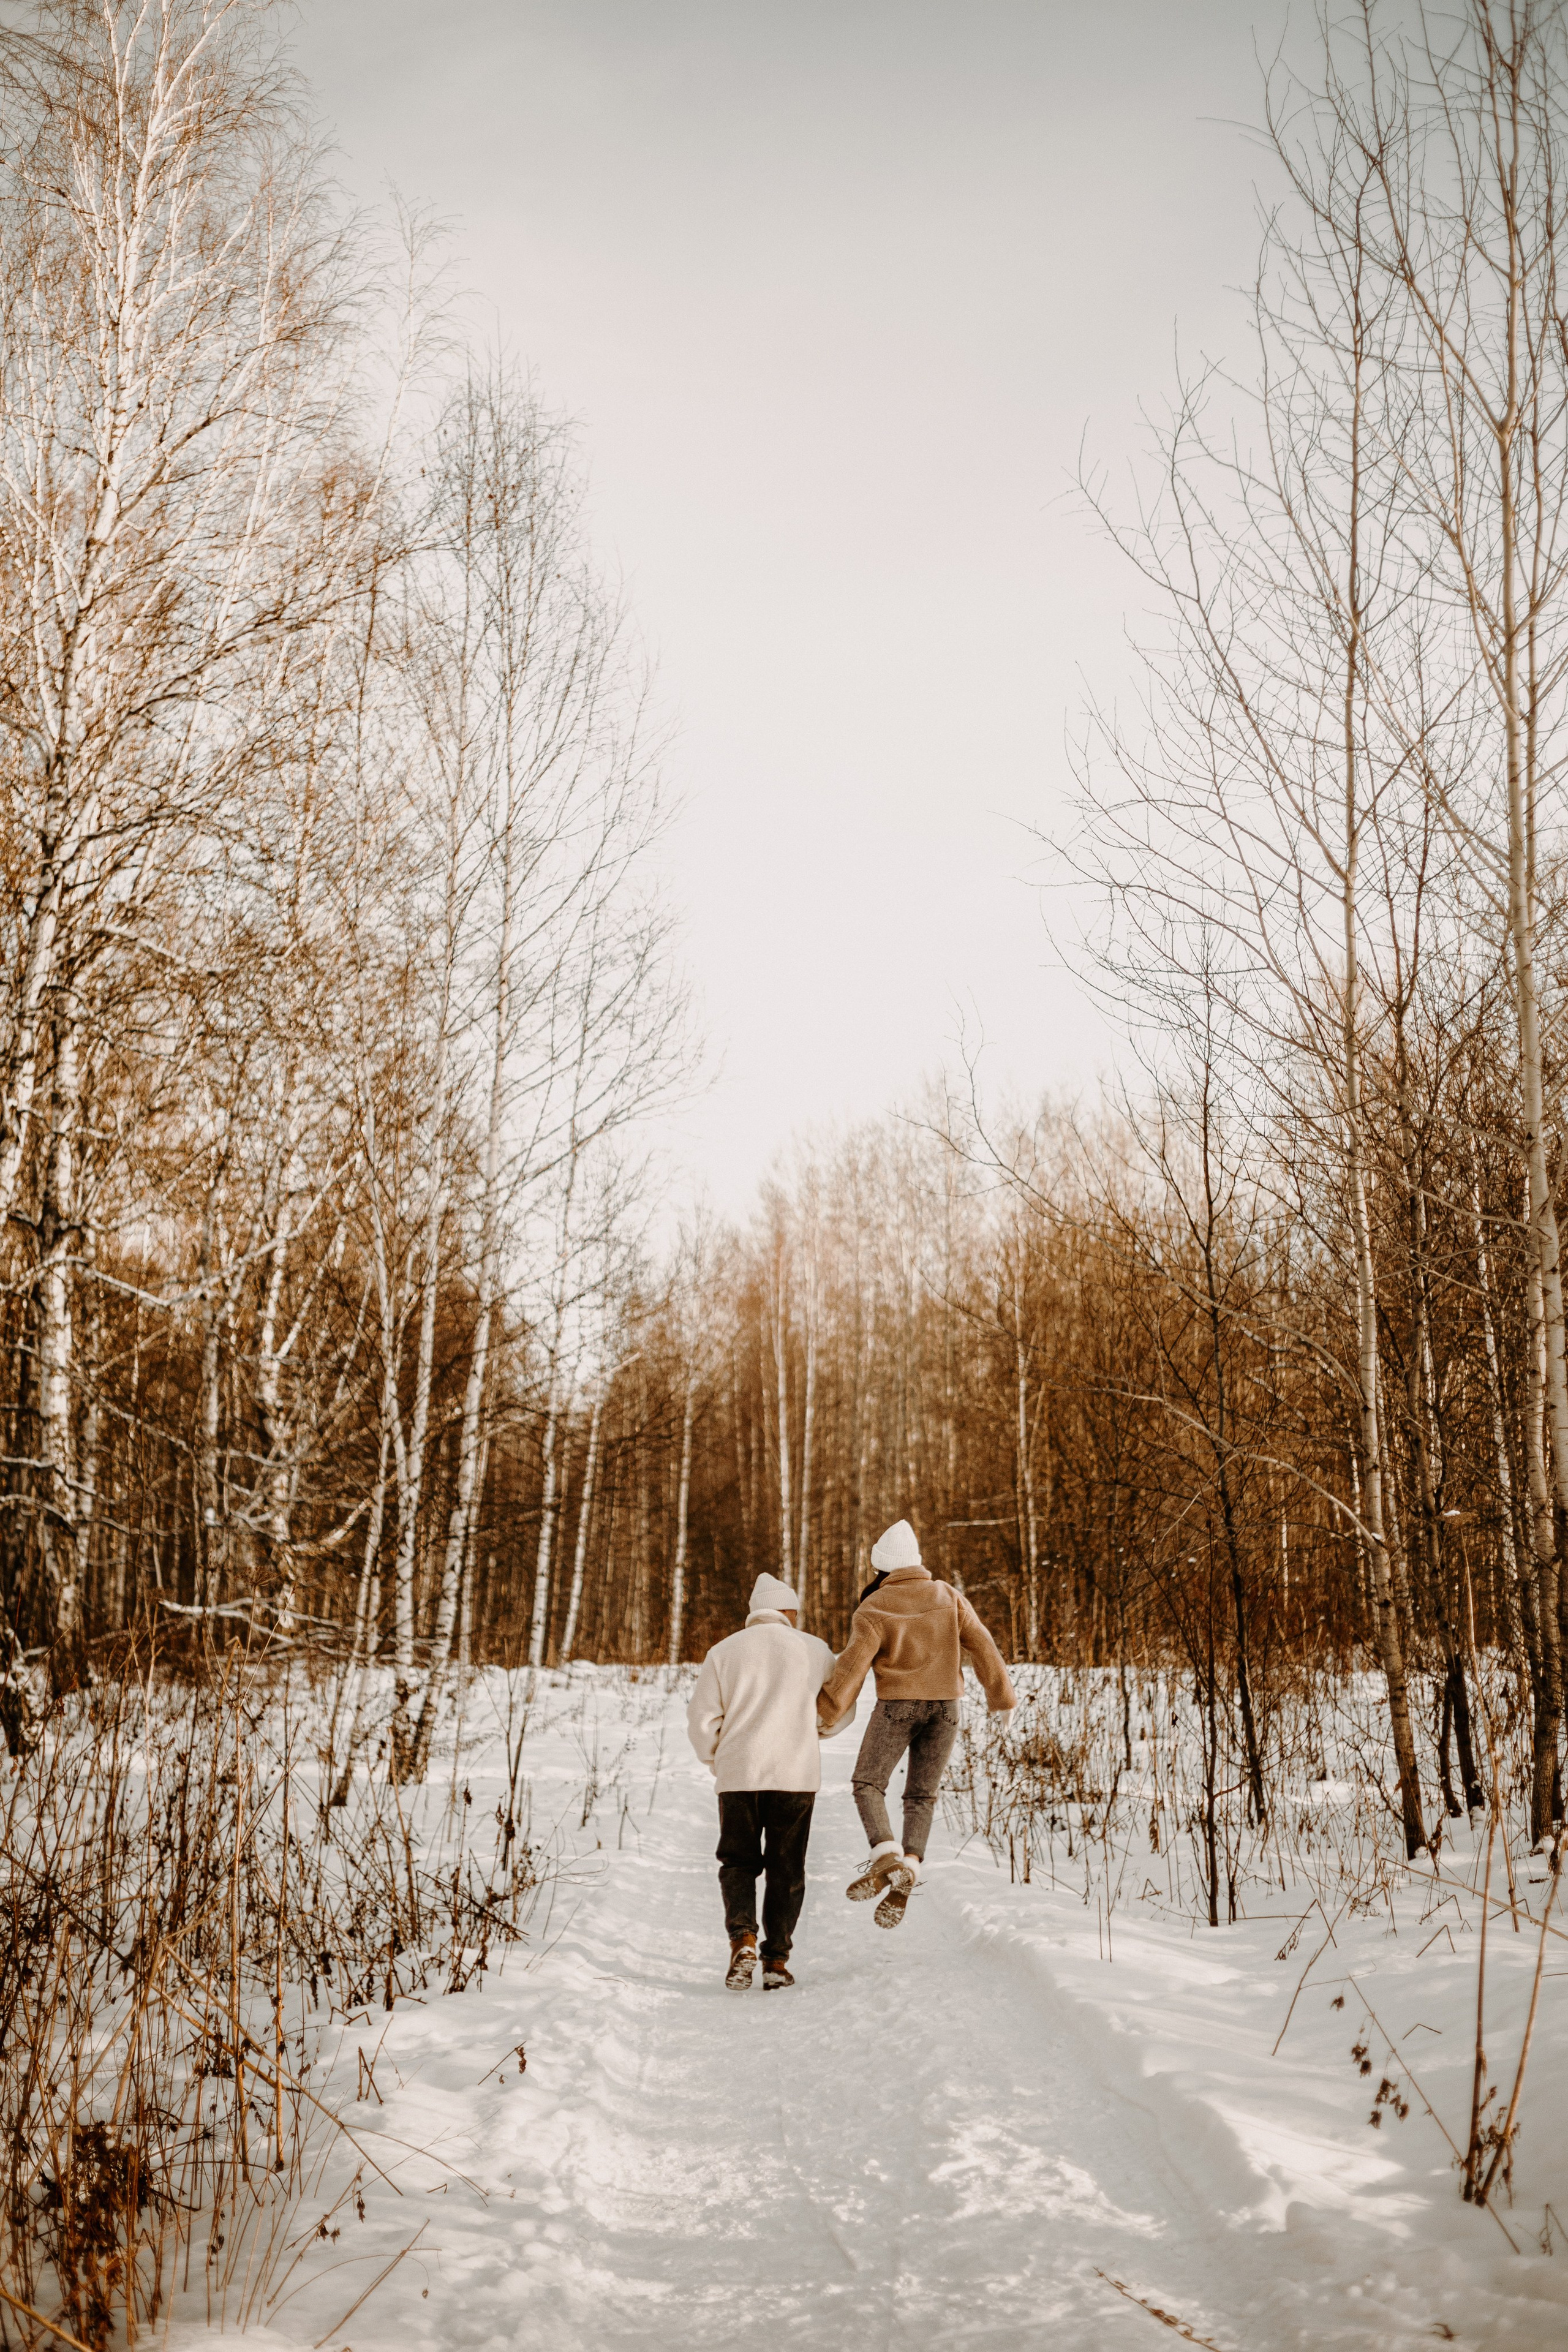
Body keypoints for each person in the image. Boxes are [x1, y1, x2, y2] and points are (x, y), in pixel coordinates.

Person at [817, 1518, 1015, 1928]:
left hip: (898, 1707)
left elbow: (851, 1670)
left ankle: (886, 1855)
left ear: (881, 1568)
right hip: (947, 1708)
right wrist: (1002, 1698)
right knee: (921, 1795)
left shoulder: (874, 1606)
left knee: (868, 1783)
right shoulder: (948, 1595)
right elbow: (984, 1645)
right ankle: (910, 1863)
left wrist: (826, 1713)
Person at [687, 1570, 840, 1990]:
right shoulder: (815, 1650)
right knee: (786, 1868)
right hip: (795, 1772)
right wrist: (818, 1732)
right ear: (789, 1611)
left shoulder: (724, 1651)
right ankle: (776, 1963)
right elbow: (839, 1705)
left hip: (740, 1772)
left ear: (757, 1612)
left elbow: (702, 1719)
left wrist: (716, 1758)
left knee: (738, 1862)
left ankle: (743, 1939)